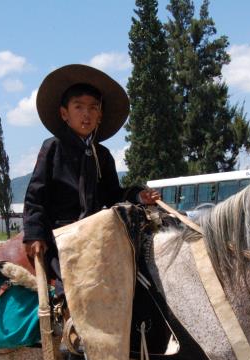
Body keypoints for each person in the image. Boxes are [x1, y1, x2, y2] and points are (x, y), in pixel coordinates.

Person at [23, 64, 160, 297]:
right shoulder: (53, 148)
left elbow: (112, 194)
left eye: (93, 108)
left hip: (95, 236)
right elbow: (35, 196)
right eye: (78, 107)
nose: (86, 114)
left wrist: (138, 196)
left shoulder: (103, 155)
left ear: (100, 116)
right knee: (74, 288)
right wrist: (34, 234)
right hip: (60, 238)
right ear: (64, 114)